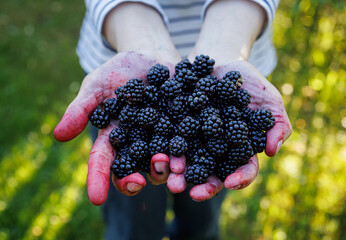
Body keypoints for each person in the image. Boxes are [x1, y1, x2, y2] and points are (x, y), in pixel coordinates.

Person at [53, 0, 292, 239]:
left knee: (202, 218)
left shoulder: (225, 106)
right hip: (120, 55)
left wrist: (227, 46)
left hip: (238, 40)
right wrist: (141, 41)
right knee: (134, 222)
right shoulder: (132, 107)